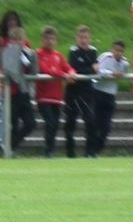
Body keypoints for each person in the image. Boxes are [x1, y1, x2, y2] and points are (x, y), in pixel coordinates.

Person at [36, 26, 76, 157]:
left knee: (55, 124)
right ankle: (48, 151)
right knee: (50, 123)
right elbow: (46, 70)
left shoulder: (58, 55)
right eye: (47, 38)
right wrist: (64, 75)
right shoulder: (38, 54)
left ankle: (50, 150)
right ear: (42, 40)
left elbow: (69, 68)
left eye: (52, 39)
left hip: (57, 98)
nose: (50, 41)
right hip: (44, 97)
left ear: (56, 40)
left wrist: (71, 73)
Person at [1, 26, 38, 151]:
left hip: (24, 92)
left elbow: (34, 71)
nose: (17, 43)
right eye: (14, 40)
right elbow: (10, 72)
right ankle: (9, 150)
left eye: (19, 40)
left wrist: (30, 57)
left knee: (30, 123)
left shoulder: (29, 53)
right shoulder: (6, 53)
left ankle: (11, 146)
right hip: (11, 93)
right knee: (13, 123)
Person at [64, 25, 98, 158]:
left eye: (86, 38)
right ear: (76, 39)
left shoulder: (93, 51)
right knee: (70, 123)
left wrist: (89, 69)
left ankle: (90, 152)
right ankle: (70, 153)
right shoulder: (73, 51)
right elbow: (75, 69)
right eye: (81, 38)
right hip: (73, 92)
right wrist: (90, 69)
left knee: (90, 121)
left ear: (90, 39)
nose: (83, 40)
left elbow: (94, 70)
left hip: (87, 91)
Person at [94, 40, 129, 155]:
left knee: (106, 126)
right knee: (95, 123)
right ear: (112, 50)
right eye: (116, 50)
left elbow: (123, 73)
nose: (118, 53)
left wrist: (117, 75)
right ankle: (91, 149)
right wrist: (111, 73)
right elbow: (98, 71)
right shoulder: (105, 57)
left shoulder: (125, 63)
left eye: (121, 51)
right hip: (98, 92)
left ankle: (97, 149)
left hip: (110, 95)